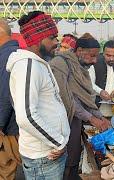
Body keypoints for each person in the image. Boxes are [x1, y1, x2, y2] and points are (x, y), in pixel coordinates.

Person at [6, 11, 70, 179]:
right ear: (37, 39)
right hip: (44, 157)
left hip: (49, 153)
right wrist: (59, 142)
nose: (57, 42)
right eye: (52, 38)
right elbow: (26, 116)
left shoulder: (39, 63)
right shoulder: (27, 66)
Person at [49, 33, 110, 180]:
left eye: (96, 56)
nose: (95, 61)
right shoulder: (60, 64)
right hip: (59, 124)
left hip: (75, 123)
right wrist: (93, 119)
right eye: (92, 56)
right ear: (80, 50)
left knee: (73, 161)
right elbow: (68, 100)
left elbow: (85, 98)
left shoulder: (81, 67)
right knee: (62, 165)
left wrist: (101, 117)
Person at [0, 18, 21, 180]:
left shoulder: (6, 56)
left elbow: (5, 94)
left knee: (6, 170)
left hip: (7, 128)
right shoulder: (16, 53)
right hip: (13, 125)